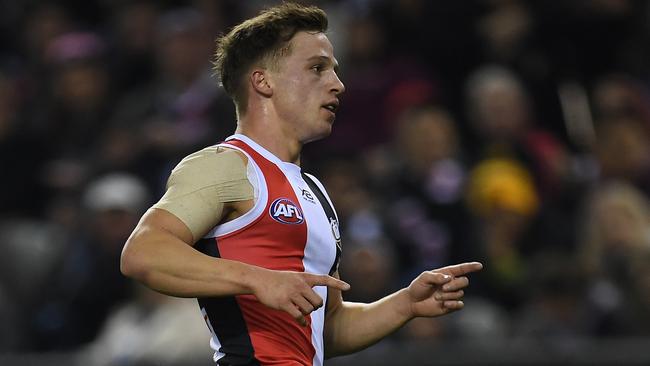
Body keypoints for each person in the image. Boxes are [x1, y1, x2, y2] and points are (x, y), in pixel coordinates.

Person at [120, 3, 483, 365]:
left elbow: (326, 330)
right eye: (316, 68)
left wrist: (404, 304)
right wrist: (258, 279)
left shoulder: (316, 191)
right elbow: (143, 253)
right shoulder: (225, 165)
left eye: (335, 71)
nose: (338, 84)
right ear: (263, 81)